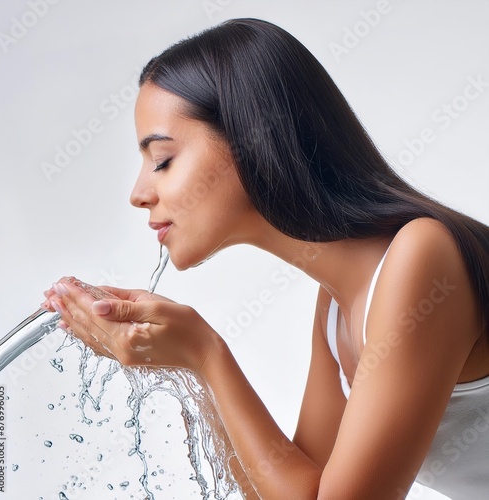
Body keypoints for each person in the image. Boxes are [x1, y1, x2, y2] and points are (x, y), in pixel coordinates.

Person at [42, 18, 489, 499]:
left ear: (251, 140)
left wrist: (205, 352)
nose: (139, 193)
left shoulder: (423, 257)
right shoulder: (336, 309)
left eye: (163, 159)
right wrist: (192, 361)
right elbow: (292, 492)